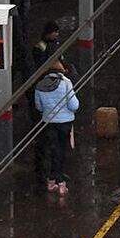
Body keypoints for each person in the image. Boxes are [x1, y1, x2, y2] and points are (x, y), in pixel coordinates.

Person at [35, 62, 82, 195]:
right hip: (65, 122)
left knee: (54, 150)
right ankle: (60, 182)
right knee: (61, 151)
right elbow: (74, 105)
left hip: (49, 122)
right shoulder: (66, 83)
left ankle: (51, 181)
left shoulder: (39, 85)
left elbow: (39, 106)